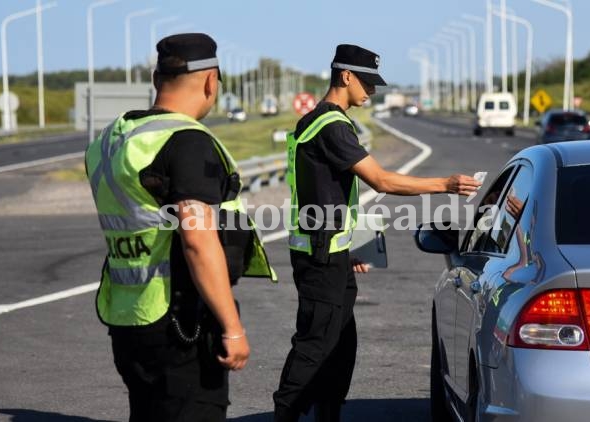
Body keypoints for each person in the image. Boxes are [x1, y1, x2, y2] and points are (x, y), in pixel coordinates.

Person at [273, 44, 482, 422]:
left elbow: (322, 192)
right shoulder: (331, 125)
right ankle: (286, 413)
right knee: (315, 346)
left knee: (339, 346)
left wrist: (346, 246)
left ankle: (326, 414)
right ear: (345, 76)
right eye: (367, 82)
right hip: (320, 258)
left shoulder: (318, 121)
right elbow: (382, 180)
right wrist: (446, 184)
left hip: (328, 252)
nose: (371, 91)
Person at [85, 33, 275, 422]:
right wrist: (232, 327)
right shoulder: (185, 140)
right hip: (180, 321)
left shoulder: (111, 140)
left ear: (157, 80)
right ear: (211, 81)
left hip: (127, 315)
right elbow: (197, 242)